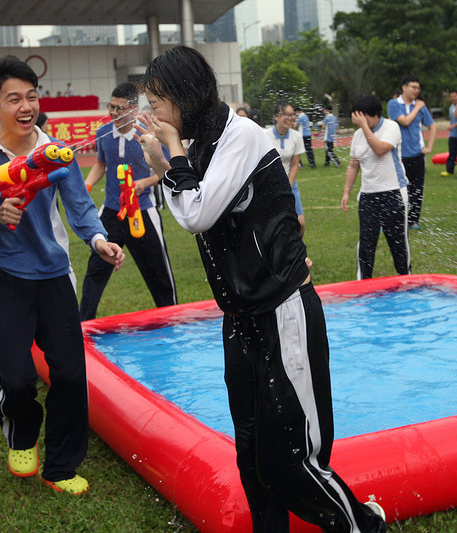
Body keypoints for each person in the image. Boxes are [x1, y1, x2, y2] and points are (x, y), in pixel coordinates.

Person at [134, 45, 387, 533]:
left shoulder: (241, 136)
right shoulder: (200, 144)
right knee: (250, 453)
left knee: (290, 461)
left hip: (281, 311)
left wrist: (172, 158)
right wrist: (167, 162)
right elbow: (197, 206)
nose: (153, 112)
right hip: (242, 318)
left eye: (158, 100)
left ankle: (362, 525)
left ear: (186, 97)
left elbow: (196, 213)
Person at [0, 56, 124, 495]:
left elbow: (79, 204)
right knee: (15, 379)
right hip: (5, 277)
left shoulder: (52, 151)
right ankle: (23, 435)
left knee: (69, 373)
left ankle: (62, 467)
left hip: (53, 275)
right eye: (14, 98)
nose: (26, 106)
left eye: (32, 96)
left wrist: (98, 239)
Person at [80, 82, 176, 321]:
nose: (113, 113)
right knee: (96, 268)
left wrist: (144, 183)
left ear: (133, 109)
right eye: (110, 107)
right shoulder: (103, 133)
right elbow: (101, 164)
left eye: (119, 109)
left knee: (157, 272)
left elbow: (165, 170)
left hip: (142, 211)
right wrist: (87, 186)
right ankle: (83, 323)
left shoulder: (148, 133)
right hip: (112, 211)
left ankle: (171, 318)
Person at [341, 94, 411, 280]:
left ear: (370, 114)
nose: (359, 122)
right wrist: (347, 191)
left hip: (393, 192)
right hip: (368, 196)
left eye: (361, 117)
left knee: (397, 243)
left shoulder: (391, 127)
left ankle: (406, 278)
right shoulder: (358, 135)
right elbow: (353, 165)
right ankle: (363, 282)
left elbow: (380, 149)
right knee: (366, 244)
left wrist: (364, 127)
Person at [387, 76, 436, 230]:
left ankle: (413, 220)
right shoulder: (394, 104)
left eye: (418, 88)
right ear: (404, 87)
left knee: (417, 189)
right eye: (413, 87)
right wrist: (418, 107)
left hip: (417, 155)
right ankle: (390, 219)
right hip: (398, 155)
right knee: (394, 189)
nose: (416, 91)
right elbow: (405, 121)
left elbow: (432, 126)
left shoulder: (421, 107)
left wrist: (429, 147)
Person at [265, 101, 307, 235]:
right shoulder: (265, 135)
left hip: (289, 184)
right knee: (271, 223)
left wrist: (287, 185)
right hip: (269, 185)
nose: (290, 118)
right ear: (276, 116)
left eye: (292, 114)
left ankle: (297, 253)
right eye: (286, 114)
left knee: (300, 223)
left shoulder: (296, 136)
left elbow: (295, 164)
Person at [441, 89, 457, 177]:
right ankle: (449, 171)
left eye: (455, 96)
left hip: (454, 131)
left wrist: (452, 126)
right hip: (453, 135)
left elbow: (455, 115)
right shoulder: (451, 107)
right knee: (452, 153)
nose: (453, 98)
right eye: (451, 97)